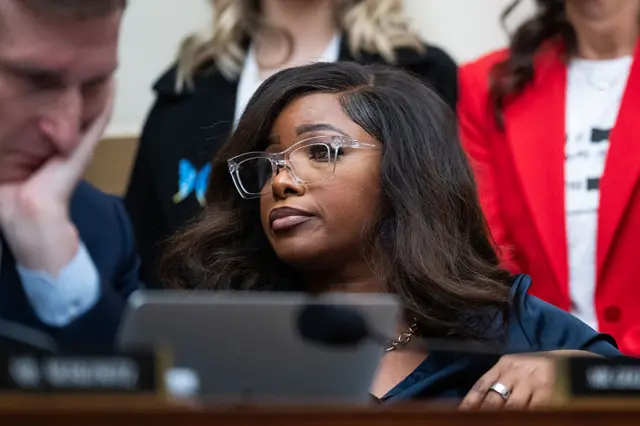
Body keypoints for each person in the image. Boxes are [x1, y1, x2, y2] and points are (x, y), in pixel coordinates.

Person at [160, 61, 620, 407]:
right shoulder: (224, 336)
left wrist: (575, 372)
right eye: (271, 163)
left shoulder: (502, 321)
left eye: (320, 151)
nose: (280, 181)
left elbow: (623, 381)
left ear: (405, 170)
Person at [125, 0, 458, 289]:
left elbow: (450, 231)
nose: (282, 181)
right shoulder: (185, 92)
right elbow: (148, 256)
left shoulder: (421, 74)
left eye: (322, 151)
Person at [457, 0, 640, 355]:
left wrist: (611, 365)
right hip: (535, 372)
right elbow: (486, 248)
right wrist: (544, 357)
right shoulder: (489, 84)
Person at [0, 0, 140, 348]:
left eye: (94, 85)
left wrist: (59, 272)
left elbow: (139, 397)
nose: (67, 133)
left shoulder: (99, 228)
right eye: (35, 81)